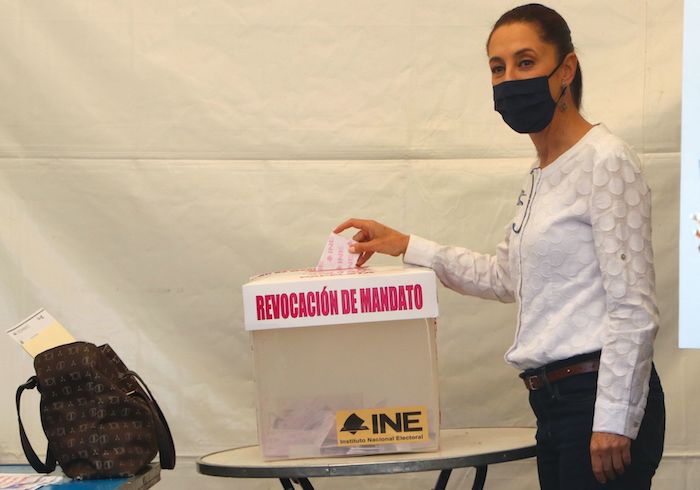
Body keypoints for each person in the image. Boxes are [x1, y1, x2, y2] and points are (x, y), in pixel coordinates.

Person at [334, 4, 665, 489]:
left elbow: (633, 304)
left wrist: (614, 418)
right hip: (554, 404)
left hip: (595, 401)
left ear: (566, 69)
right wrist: (406, 244)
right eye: (497, 67)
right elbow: (504, 278)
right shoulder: (541, 175)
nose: (510, 78)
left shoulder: (605, 161)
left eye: (525, 62)